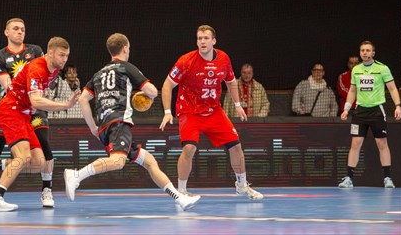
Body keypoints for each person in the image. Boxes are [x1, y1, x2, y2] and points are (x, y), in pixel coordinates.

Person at [64, 33, 201, 211]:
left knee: (150, 162)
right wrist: (144, 96)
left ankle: (179, 198)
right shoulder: (126, 67)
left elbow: (83, 99)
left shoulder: (98, 74)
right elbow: (152, 91)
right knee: (118, 161)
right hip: (120, 122)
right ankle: (77, 175)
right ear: (125, 48)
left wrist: (93, 128)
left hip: (105, 124)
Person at [159, 25, 264, 200]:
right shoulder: (186, 61)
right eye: (199, 38)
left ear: (213, 41)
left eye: (206, 38)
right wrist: (168, 111)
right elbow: (167, 85)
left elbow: (230, 82)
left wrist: (237, 104)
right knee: (189, 148)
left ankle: (242, 186)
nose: (202, 42)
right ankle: (182, 192)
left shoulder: (223, 58)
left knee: (236, 147)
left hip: (214, 111)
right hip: (189, 111)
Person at [0, 37, 79, 212]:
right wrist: (66, 105)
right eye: (61, 55)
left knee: (39, 162)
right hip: (11, 111)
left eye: (66, 56)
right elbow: (36, 100)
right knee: (23, 157)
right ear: (50, 53)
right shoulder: (37, 68)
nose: (64, 59)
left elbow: (34, 99)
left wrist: (31, 105)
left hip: (24, 114)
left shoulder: (53, 71)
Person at [0, 18, 54, 209]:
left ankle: (46, 190)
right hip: (12, 109)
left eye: (23, 29)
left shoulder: (35, 51)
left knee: (44, 149)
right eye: (16, 29)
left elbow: (41, 78)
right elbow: (10, 86)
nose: (20, 32)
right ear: (6, 32)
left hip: (34, 111)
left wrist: (38, 97)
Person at [339, 41, 401, 189]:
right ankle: (349, 179)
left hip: (377, 111)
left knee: (382, 144)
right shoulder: (356, 70)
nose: (365, 53)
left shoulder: (382, 68)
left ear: (373, 53)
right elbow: (353, 91)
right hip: (360, 111)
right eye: (362, 50)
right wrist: (347, 108)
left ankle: (387, 178)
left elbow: (392, 89)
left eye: (368, 50)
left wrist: (398, 106)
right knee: (355, 144)